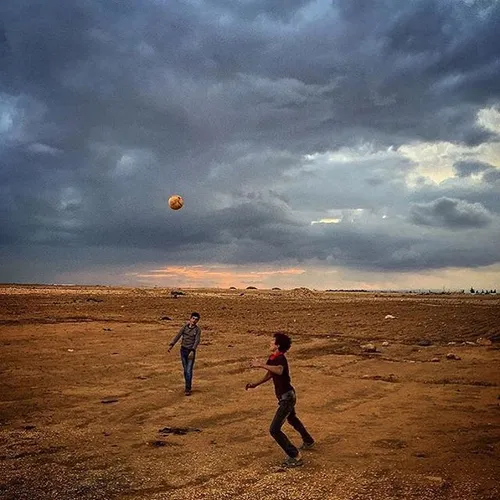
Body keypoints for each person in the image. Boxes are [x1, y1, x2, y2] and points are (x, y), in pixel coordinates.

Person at [246, 332, 314, 468]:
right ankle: (308, 440)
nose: (270, 343)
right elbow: (270, 374)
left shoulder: (281, 358)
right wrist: (255, 384)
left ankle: (295, 456)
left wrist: (260, 364)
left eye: (272, 342)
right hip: (287, 395)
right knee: (292, 418)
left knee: (274, 429)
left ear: (277, 345)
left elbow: (279, 370)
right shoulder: (273, 358)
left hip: (287, 398)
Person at [168, 312, 201, 396]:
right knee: (185, 370)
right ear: (190, 318)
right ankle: (187, 385)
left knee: (188, 370)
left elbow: (197, 341)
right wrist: (172, 345)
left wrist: (192, 350)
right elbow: (178, 336)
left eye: (196, 319)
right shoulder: (184, 327)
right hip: (183, 350)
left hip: (190, 351)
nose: (194, 321)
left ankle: (188, 388)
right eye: (193, 318)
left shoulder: (197, 330)